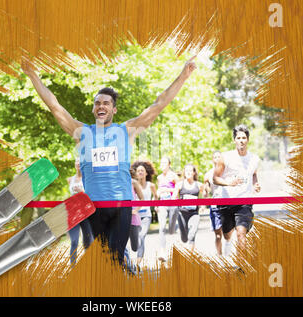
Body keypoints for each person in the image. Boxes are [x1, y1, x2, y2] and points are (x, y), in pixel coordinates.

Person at [21, 55, 197, 266]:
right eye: (97, 103)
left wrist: (183, 76)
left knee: (112, 258)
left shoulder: (126, 131)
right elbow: (55, 106)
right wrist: (33, 75)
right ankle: (124, 269)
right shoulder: (82, 133)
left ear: (113, 109)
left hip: (121, 204)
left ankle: (123, 270)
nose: (101, 106)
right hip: (93, 207)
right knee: (101, 261)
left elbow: (158, 105)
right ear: (94, 109)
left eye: (106, 103)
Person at [213, 125, 261, 259]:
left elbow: (254, 173)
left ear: (248, 140)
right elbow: (215, 178)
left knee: (241, 233)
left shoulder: (254, 159)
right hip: (226, 201)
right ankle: (228, 244)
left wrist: (255, 183)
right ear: (234, 140)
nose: (241, 140)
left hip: (244, 202)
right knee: (227, 234)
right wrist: (228, 183)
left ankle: (242, 267)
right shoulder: (225, 157)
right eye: (238, 138)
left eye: (244, 138)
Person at [131, 161, 157, 266]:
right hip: (135, 216)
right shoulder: (133, 185)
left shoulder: (151, 185)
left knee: (142, 236)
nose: (140, 172)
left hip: (146, 215)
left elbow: (155, 196)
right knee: (136, 238)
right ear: (136, 173)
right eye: (138, 171)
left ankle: (138, 262)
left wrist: (155, 206)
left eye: (142, 170)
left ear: (146, 173)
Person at [67, 160, 94, 265]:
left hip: (86, 214)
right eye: (76, 162)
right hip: (73, 214)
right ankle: (72, 266)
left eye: (80, 162)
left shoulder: (89, 179)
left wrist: (81, 192)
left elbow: (91, 197)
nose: (78, 164)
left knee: (88, 241)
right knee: (74, 241)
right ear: (74, 165)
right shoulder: (70, 180)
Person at [172, 164, 204, 251]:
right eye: (187, 171)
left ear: (194, 173)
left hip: (194, 213)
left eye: (191, 171)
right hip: (182, 213)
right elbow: (173, 197)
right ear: (184, 173)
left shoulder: (199, 185)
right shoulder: (179, 185)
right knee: (184, 238)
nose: (189, 172)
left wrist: (202, 205)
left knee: (192, 234)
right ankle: (186, 242)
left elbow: (204, 194)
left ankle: (190, 256)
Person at [156, 156, 180, 261]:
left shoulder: (173, 176)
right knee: (161, 227)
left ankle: (173, 249)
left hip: (173, 204)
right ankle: (162, 251)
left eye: (165, 163)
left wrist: (168, 190)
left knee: (171, 229)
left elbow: (178, 188)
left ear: (169, 164)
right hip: (162, 204)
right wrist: (156, 203)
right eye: (161, 163)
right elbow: (158, 191)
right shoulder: (159, 177)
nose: (162, 165)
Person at [203, 151, 223, 256]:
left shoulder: (227, 172)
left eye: (219, 157)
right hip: (215, 205)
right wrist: (205, 192)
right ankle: (220, 255)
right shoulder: (208, 174)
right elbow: (206, 192)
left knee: (228, 232)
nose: (217, 158)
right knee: (218, 234)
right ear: (212, 159)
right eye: (215, 157)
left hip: (227, 204)